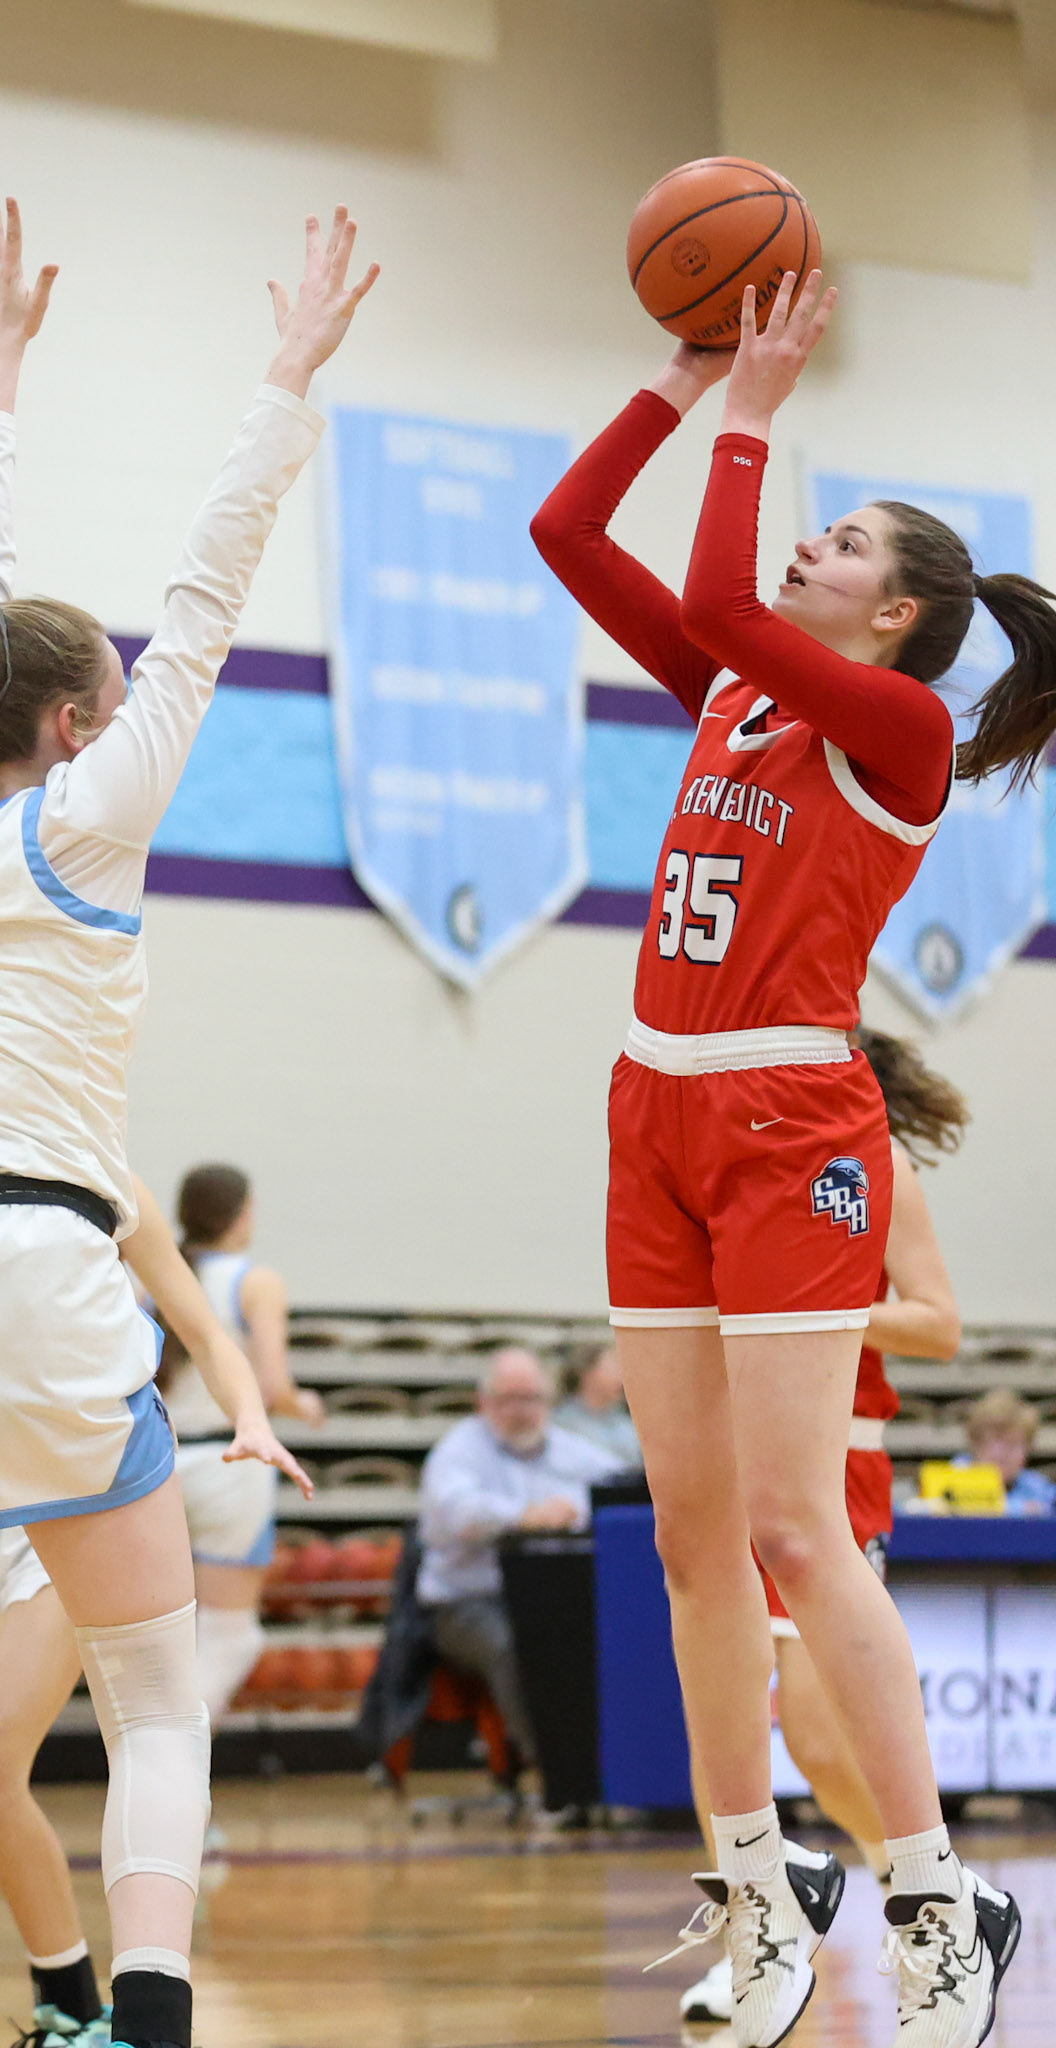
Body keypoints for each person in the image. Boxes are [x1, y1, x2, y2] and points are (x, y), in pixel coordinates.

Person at [532, 269, 1056, 2048]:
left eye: (843, 542)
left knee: (796, 1524)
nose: (808, 547)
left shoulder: (902, 731)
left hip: (794, 1123)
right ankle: (760, 1882)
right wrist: (677, 379)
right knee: (688, 1540)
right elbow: (571, 528)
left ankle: (939, 1899)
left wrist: (759, 405)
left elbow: (715, 582)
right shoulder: (739, 694)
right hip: (654, 1106)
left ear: (907, 614)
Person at [0, 197, 375, 2048]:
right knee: (154, 1696)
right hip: (49, 1268)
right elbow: (210, 593)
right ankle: (142, 2018)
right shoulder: (83, 820)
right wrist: (286, 377)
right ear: (74, 722)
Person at [682, 1028, 968, 2025]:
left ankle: (934, 1898)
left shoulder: (877, 1168)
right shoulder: (729, 1159)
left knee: (813, 1722)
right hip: (729, 1450)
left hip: (838, 1461)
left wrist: (817, 1297)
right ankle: (752, 1924)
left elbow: (939, 1321)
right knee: (717, 1707)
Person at [1, 1174, 311, 2048]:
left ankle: (82, 2004)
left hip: (66, 1507)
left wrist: (253, 1411)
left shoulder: (89, 1171)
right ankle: (68, 1992)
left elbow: (205, 1331)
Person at [156, 1163, 324, 1729]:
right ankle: (171, 1761)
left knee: (159, 1637)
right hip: (233, 1465)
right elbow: (273, 1387)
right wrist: (307, 1405)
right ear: (242, 1213)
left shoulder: (162, 1273)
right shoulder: (257, 1281)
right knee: (229, 1638)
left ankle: (154, 1766)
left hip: (161, 1464)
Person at [416, 1348, 621, 1767]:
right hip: (465, 1604)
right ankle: (552, 1769)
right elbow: (459, 1514)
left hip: (555, 1595)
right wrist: (527, 1516)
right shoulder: (457, 1451)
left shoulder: (568, 1448)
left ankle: (610, 1765)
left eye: (531, 1399)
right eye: (508, 1399)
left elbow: (622, 1484)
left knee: (604, 1637)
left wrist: (573, 1510)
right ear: (483, 1403)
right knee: (518, 1646)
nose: (521, 1410)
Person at [953, 1390, 1056, 1516]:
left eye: (1014, 1444)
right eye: (996, 1442)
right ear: (975, 1443)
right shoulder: (953, 1476)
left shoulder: (1039, 1489)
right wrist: (1020, 1509)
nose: (1004, 1453)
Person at [555, 1342, 642, 1467]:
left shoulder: (626, 1423)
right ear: (587, 1373)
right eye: (614, 1368)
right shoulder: (562, 1425)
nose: (621, 1377)